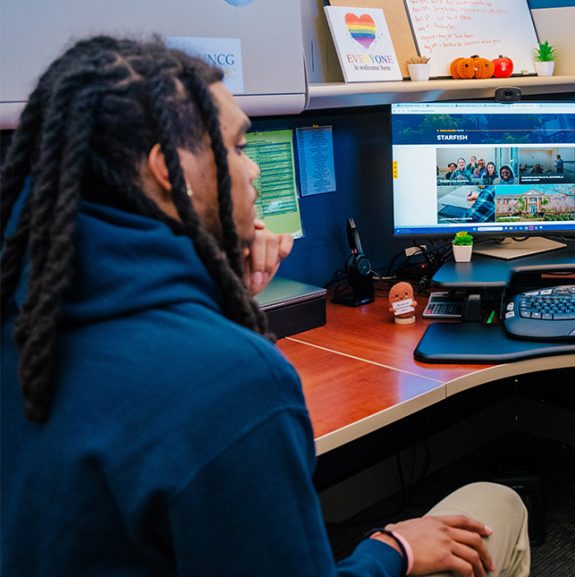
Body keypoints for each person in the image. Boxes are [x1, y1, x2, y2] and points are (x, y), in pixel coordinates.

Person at [1, 36, 531, 577]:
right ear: (172, 171)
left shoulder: (28, 312)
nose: (252, 170)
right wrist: (391, 549)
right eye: (234, 148)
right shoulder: (228, 379)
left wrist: (227, 295)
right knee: (496, 505)